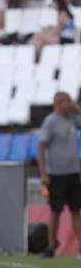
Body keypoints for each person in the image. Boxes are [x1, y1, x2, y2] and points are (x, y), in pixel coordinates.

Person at [37, 92, 81, 258]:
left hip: (73, 172)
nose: (70, 104)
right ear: (58, 104)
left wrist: (77, 108)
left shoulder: (73, 119)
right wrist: (43, 172)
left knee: (76, 210)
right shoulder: (51, 122)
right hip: (56, 174)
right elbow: (41, 146)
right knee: (56, 211)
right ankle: (51, 246)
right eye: (67, 102)